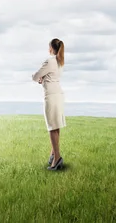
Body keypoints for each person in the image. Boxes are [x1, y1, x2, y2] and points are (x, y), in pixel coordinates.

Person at [32, 38, 66, 171]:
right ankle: (53, 154)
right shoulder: (59, 62)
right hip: (59, 95)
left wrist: (38, 78)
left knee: (52, 127)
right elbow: (51, 77)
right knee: (56, 126)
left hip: (51, 96)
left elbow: (36, 76)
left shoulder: (50, 60)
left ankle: (57, 158)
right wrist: (44, 79)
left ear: (51, 48)